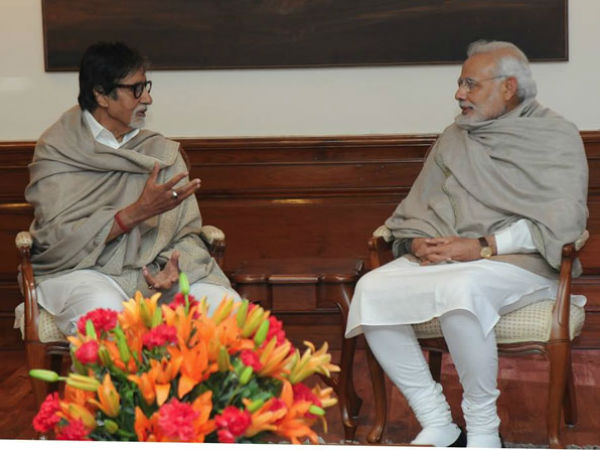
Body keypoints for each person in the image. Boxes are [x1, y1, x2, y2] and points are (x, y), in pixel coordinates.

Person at [345, 40, 588, 448]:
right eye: (460, 84)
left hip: (523, 262)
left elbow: (562, 224)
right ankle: (437, 420)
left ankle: (483, 430)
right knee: (370, 289)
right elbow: (421, 205)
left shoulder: (556, 136)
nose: (459, 94)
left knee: (461, 292)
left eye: (470, 84)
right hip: (451, 259)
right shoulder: (455, 138)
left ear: (508, 87)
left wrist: (482, 246)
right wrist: (418, 242)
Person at [24, 41, 240, 335]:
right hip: (84, 271)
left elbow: (185, 233)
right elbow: (58, 237)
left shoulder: (160, 152)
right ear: (101, 94)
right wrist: (137, 213)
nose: (147, 98)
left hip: (156, 269)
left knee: (227, 310)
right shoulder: (58, 150)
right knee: (105, 313)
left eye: (146, 86)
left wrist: (173, 267)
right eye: (136, 89)